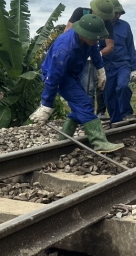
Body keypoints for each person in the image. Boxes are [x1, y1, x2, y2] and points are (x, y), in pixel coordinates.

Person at [29, 14, 124, 153]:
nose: (95, 40)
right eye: (94, 38)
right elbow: (54, 78)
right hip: (58, 76)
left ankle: (63, 140)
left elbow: (95, 51)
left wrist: (100, 69)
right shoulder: (64, 48)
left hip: (72, 74)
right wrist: (46, 105)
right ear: (83, 33)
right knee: (84, 104)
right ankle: (100, 143)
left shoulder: (89, 39)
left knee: (78, 106)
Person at [65, 0, 116, 119]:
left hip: (90, 59)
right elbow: (67, 32)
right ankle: (76, 117)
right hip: (75, 56)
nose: (102, 19)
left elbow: (110, 46)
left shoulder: (107, 23)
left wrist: (96, 57)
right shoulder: (80, 13)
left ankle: (87, 118)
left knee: (89, 89)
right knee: (74, 87)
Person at [102, 0, 136, 124]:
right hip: (106, 65)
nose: (117, 16)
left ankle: (127, 113)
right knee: (109, 94)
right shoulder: (101, 26)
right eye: (115, 13)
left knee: (122, 86)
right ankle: (116, 121)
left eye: (119, 13)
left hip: (123, 64)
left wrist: (135, 68)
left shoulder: (125, 26)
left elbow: (130, 46)